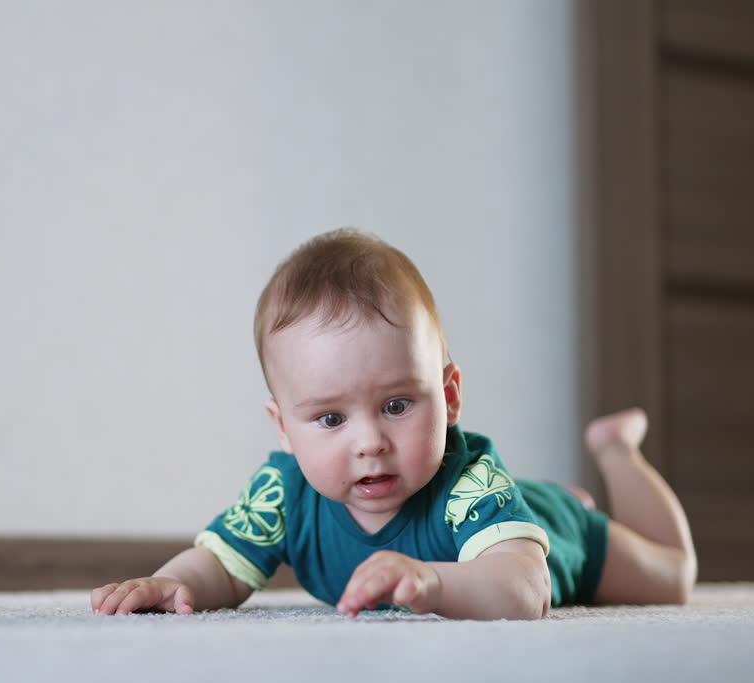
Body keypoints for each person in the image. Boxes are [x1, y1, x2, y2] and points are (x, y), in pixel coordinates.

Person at [91, 228, 696, 620]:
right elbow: (221, 564)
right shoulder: (284, 491)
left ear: (449, 397)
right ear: (283, 429)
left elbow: (524, 590)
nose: (370, 443)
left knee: (673, 578)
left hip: (563, 542)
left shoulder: (469, 481)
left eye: (398, 405)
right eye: (330, 418)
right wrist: (171, 582)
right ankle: (539, 505)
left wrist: (432, 582)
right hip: (498, 522)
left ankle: (616, 455)